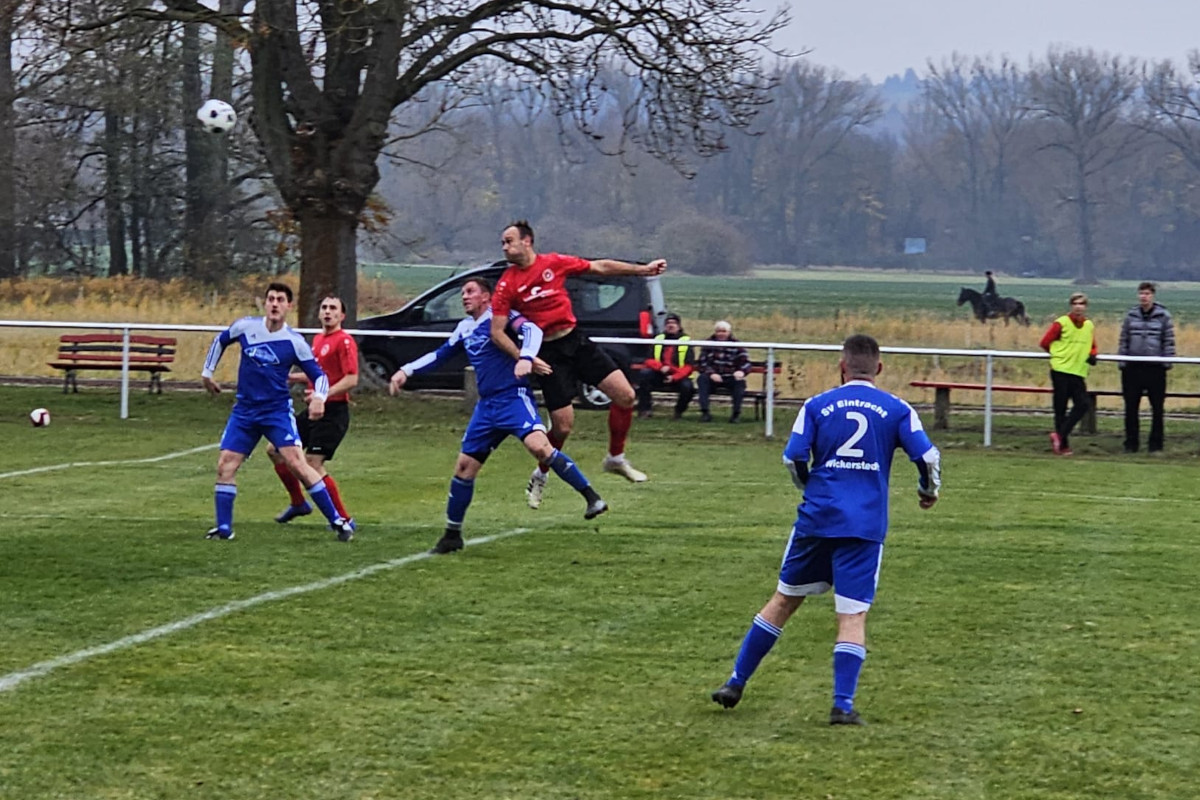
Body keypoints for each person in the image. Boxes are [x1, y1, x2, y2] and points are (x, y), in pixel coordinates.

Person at [710, 334, 941, 725]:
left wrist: (811, 487)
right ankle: (842, 705)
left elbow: (794, 457)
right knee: (851, 615)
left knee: (783, 600)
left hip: (817, 518)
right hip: (864, 525)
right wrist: (927, 490)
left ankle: (735, 681)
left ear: (842, 366)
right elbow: (928, 456)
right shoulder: (897, 409)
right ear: (879, 368)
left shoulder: (816, 405)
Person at [389, 277, 608, 555]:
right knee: (464, 468)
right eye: (462, 293)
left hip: (513, 398)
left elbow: (532, 331)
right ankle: (452, 535)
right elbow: (440, 355)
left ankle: (592, 498)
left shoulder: (502, 318)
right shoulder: (465, 328)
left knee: (540, 447)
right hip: (487, 407)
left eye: (470, 292)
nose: (464, 297)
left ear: (486, 297)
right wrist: (406, 370)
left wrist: (526, 357)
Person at [490, 220, 666, 510]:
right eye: (503, 243)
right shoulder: (507, 283)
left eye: (509, 241)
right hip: (547, 354)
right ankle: (540, 474)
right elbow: (497, 331)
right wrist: (525, 357)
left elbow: (601, 267)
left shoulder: (554, 263)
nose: (505, 247)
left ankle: (615, 459)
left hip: (576, 341)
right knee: (563, 426)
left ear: (527, 241)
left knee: (626, 396)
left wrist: (643, 270)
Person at [201, 282, 356, 542]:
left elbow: (319, 377)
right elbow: (221, 340)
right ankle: (224, 529)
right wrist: (207, 373)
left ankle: (338, 521)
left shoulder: (294, 342)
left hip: (276, 412)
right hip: (245, 412)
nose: (274, 304)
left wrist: (319, 397)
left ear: (288, 306)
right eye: (271, 298)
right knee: (225, 465)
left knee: (298, 462)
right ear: (265, 303)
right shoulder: (246, 327)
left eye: (280, 300)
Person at [266, 295, 359, 526]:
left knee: (312, 463)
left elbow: (351, 378)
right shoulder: (318, 340)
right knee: (275, 450)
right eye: (324, 308)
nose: (328, 312)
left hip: (333, 411)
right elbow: (319, 373)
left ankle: (344, 519)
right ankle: (298, 503)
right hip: (312, 411)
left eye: (333, 308)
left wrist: (323, 395)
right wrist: (289, 377)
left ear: (342, 315)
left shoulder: (344, 341)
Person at [1118, 282, 1175, 454]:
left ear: (1153, 296)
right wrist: (1122, 362)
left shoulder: (1163, 316)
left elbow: (1168, 341)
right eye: (1141, 293)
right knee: (1130, 408)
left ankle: (1156, 445)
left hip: (1155, 369)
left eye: (1147, 293)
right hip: (1133, 368)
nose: (1144, 296)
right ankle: (1131, 444)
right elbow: (1124, 340)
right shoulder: (1131, 316)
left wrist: (1166, 363)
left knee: (1157, 409)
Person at [1039, 292, 1098, 457]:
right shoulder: (1061, 323)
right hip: (1060, 370)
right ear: (1071, 306)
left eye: (1082, 304)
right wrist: (1059, 355)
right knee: (1060, 408)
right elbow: (1045, 342)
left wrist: (1093, 353)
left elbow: (1092, 344)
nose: (1078, 307)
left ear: (1086, 307)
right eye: (1075, 303)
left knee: (1083, 404)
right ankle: (1062, 445)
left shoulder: (1089, 325)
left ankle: (1059, 435)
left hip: (1078, 371)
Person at [635, 313, 695, 419]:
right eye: (668, 323)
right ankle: (645, 409)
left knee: (688, 387)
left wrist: (673, 376)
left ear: (679, 326)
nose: (670, 325)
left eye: (674, 323)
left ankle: (678, 411)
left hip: (678, 375)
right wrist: (660, 367)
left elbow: (689, 366)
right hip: (659, 373)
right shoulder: (658, 339)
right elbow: (648, 360)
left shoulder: (686, 341)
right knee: (644, 375)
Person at [696, 320, 753, 423]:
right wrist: (711, 373)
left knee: (740, 383)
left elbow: (746, 363)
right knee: (702, 379)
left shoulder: (737, 345)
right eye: (719, 331)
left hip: (731, 376)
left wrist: (741, 371)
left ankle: (736, 415)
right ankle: (705, 413)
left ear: (729, 332)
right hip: (712, 376)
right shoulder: (708, 343)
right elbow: (702, 363)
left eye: (724, 331)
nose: (721, 334)